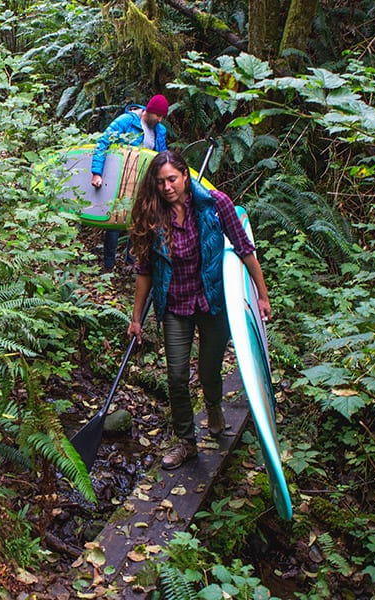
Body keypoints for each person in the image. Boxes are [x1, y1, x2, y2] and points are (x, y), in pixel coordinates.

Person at [125, 150, 273, 470]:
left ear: (185, 176)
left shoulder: (215, 204)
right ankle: (186, 442)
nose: (166, 187)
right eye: (161, 181)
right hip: (175, 305)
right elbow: (145, 270)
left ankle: (215, 409)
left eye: (172, 179)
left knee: (209, 371)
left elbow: (245, 249)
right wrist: (136, 319)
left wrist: (262, 295)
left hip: (212, 302)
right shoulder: (154, 214)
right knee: (176, 377)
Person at [91, 94, 170, 270]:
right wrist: (97, 172)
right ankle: (109, 265)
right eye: (158, 115)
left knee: (139, 221)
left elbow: (161, 157)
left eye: (162, 117)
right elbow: (103, 142)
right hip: (121, 177)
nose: (160, 119)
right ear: (149, 111)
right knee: (116, 220)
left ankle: (131, 262)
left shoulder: (160, 130)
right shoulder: (127, 121)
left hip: (144, 182)